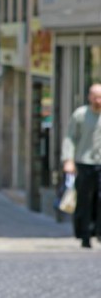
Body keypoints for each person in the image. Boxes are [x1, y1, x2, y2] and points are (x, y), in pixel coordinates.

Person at [62, 83, 101, 248]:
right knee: (84, 199)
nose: (98, 99)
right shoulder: (80, 115)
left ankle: (99, 232)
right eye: (95, 96)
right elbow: (70, 138)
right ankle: (84, 235)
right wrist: (68, 160)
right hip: (84, 162)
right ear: (89, 97)